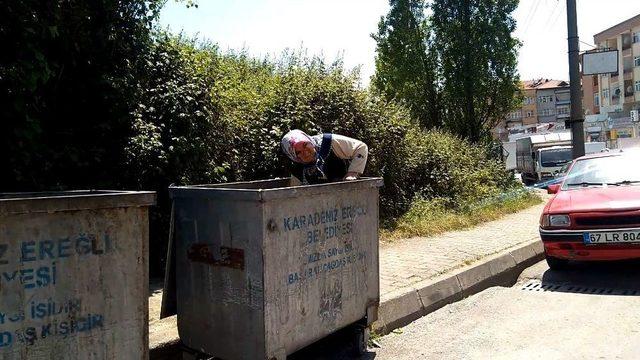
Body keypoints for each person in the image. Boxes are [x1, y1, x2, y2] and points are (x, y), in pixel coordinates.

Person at [281, 129, 368, 185]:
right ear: (293, 156)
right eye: (298, 152)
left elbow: (360, 147)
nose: (305, 151)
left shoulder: (328, 142)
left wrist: (353, 173)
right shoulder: (294, 165)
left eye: (305, 144)